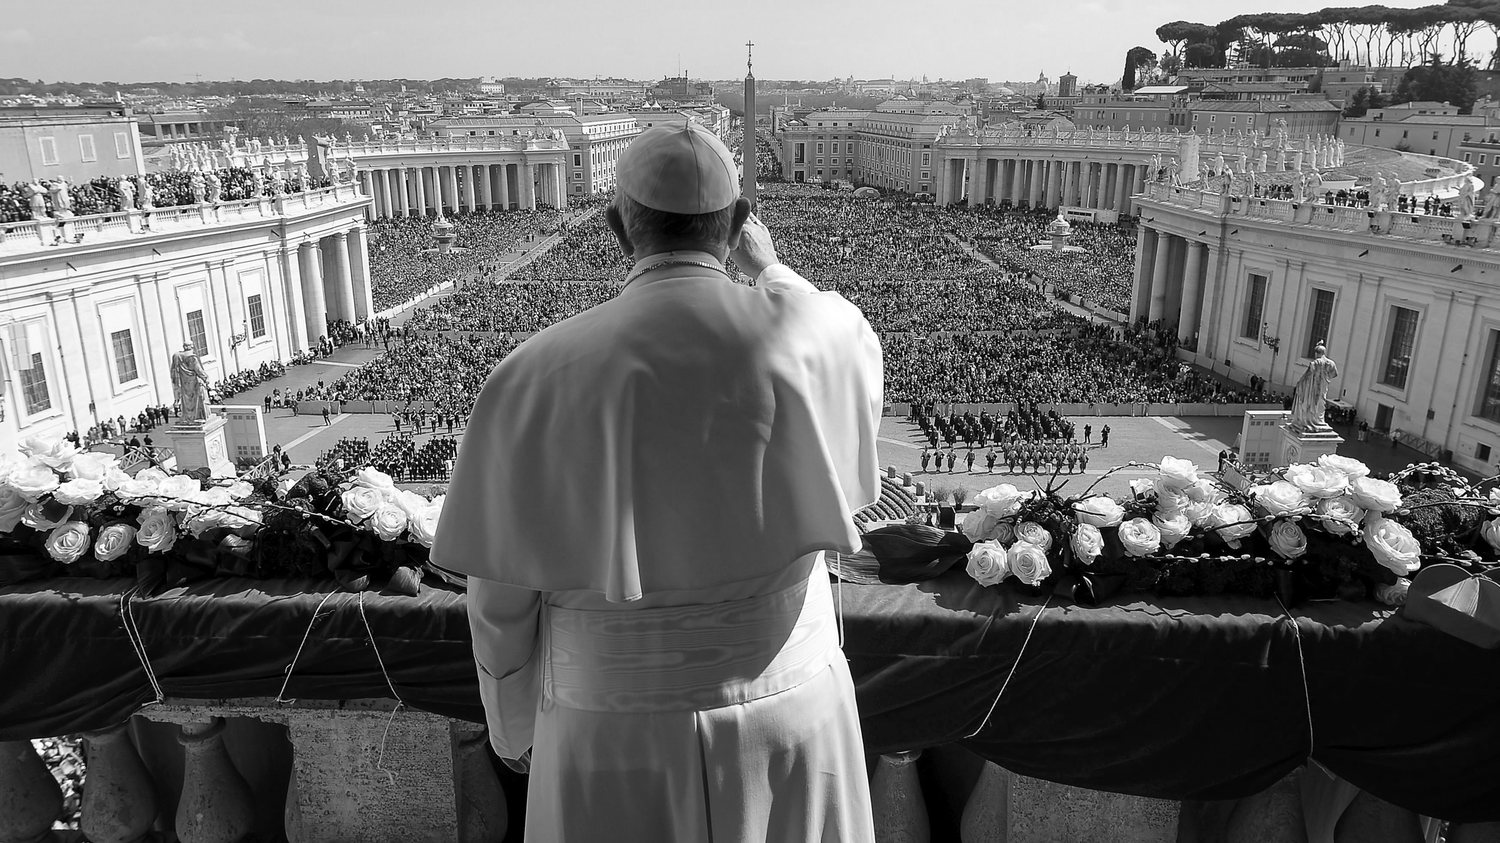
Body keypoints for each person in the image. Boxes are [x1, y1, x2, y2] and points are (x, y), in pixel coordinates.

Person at [434, 123, 880, 842]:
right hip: (790, 710)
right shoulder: (814, 338)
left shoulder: (531, 374)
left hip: (607, 731)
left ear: (616, 227)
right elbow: (838, 328)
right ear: (737, 227)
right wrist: (769, 270)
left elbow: (500, 603)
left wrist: (514, 726)